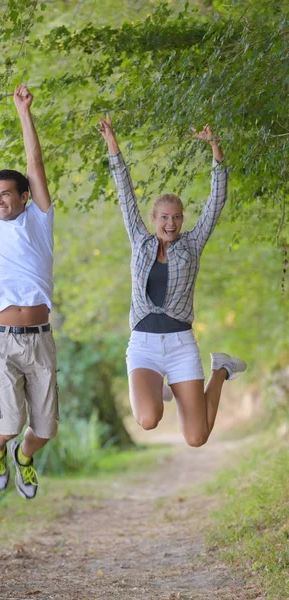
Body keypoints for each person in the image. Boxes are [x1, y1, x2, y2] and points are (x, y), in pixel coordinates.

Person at [99, 114, 247, 447]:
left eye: (177, 217)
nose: (171, 223)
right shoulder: (140, 240)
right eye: (165, 217)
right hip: (144, 347)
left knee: (197, 437)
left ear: (182, 220)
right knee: (148, 419)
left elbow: (216, 202)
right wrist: (112, 143)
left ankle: (221, 370)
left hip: (181, 346)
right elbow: (125, 194)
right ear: (153, 220)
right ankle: (158, 388)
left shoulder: (192, 245)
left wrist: (215, 148)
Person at [0, 84, 58, 498]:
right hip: (0, 342)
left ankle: (24, 457)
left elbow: (35, 164)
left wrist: (24, 111)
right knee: (7, 422)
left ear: (24, 197)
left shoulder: (38, 221)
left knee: (45, 428)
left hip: (40, 339)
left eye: (6, 193)